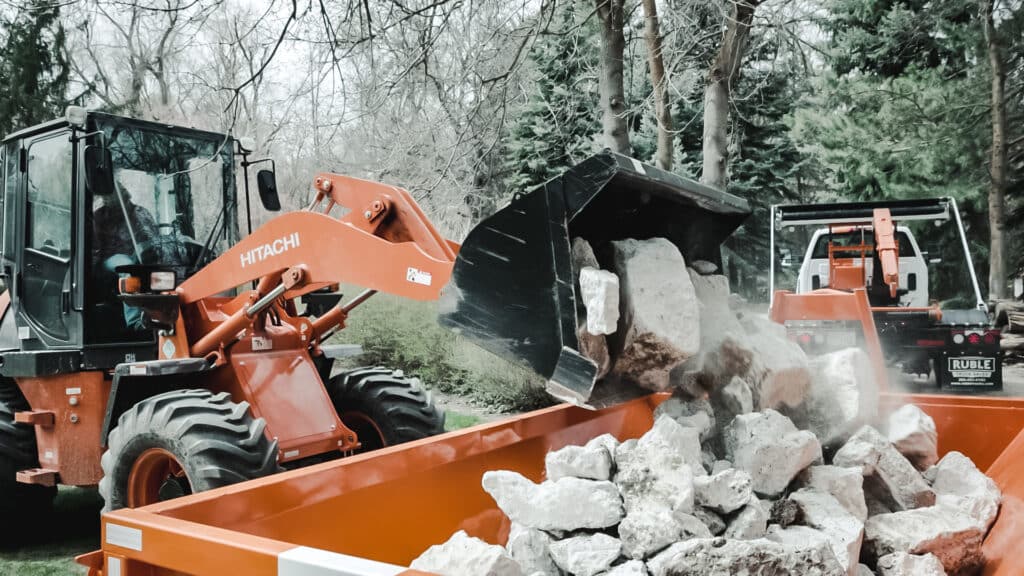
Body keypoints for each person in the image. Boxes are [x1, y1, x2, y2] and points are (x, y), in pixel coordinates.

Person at [92, 171, 158, 331]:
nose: (107, 199)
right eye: (105, 196)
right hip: (112, 257)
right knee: (129, 269)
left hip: (137, 254)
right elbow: (95, 245)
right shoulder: (100, 216)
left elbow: (152, 238)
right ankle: (135, 321)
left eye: (111, 195)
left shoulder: (139, 213)